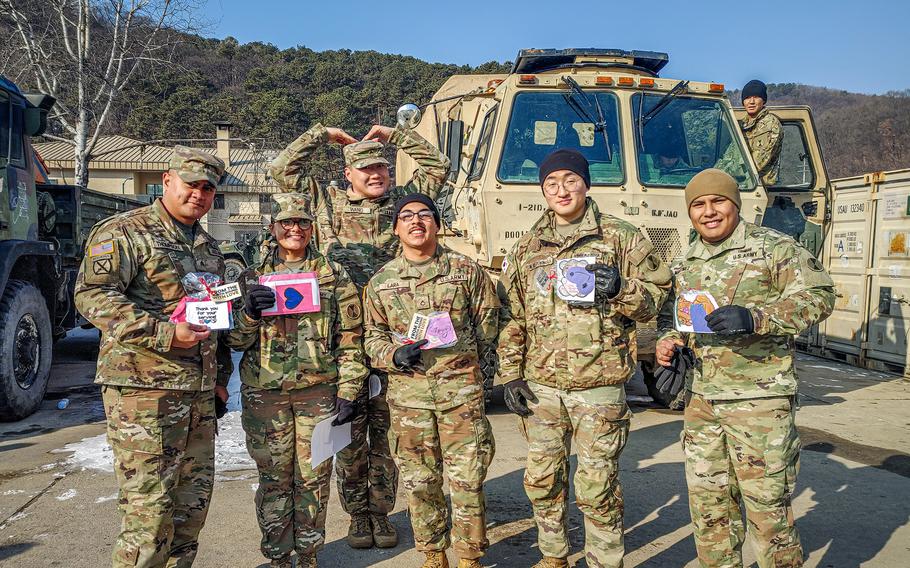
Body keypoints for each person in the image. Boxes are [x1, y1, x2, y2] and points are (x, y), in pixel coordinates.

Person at [269, 121, 450, 549]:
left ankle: (382, 513)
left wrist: (396, 134)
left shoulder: (404, 206)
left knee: (386, 435)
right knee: (346, 432)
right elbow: (281, 172)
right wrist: (319, 135)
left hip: (393, 335)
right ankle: (357, 516)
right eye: (365, 169)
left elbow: (438, 167)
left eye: (381, 168)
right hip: (341, 337)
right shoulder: (324, 202)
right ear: (347, 174)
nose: (375, 175)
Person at [498, 149, 673, 568]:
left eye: (570, 180)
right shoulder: (528, 246)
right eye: (552, 183)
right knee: (542, 481)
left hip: (599, 385)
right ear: (542, 190)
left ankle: (604, 561)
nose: (562, 190)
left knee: (597, 486)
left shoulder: (621, 237)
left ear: (586, 184)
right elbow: (512, 315)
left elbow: (658, 300)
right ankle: (553, 557)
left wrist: (621, 288)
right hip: (541, 386)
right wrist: (509, 374)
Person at [655, 168, 835, 568]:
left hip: (760, 399)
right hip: (702, 402)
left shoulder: (773, 248)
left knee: (767, 508)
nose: (709, 212)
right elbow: (681, 318)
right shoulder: (686, 259)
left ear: (735, 204)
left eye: (718, 201)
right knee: (710, 508)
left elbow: (821, 295)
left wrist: (757, 318)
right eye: (698, 205)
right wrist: (673, 342)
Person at [74, 146, 232, 568]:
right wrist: (165, 334)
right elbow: (91, 296)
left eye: (207, 188)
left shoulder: (208, 248)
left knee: (190, 510)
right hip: (144, 394)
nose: (198, 194)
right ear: (167, 181)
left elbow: (216, 318)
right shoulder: (125, 232)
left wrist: (219, 381)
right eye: (190, 184)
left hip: (197, 396)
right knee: (149, 515)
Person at [224, 193, 368, 568]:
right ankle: (277, 557)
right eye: (286, 222)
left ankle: (307, 555)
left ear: (312, 227)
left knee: (314, 480)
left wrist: (349, 390)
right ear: (273, 228)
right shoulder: (251, 277)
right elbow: (233, 341)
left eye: (302, 222)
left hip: (317, 393)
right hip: (265, 396)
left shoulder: (333, 276)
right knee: (273, 480)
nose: (294, 229)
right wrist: (249, 315)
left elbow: (351, 337)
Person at [361, 194, 498, 568]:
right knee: (421, 483)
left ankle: (470, 555)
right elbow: (370, 336)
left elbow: (489, 327)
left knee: (468, 481)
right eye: (407, 216)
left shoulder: (466, 271)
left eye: (425, 215)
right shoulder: (381, 282)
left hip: (460, 397)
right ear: (396, 229)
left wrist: (475, 373)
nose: (416, 221)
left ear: (437, 224)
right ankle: (433, 553)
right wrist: (392, 355)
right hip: (410, 400)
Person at [740, 79, 783, 186]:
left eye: (756, 97)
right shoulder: (742, 125)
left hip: (762, 187)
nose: (751, 101)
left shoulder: (771, 124)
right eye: (747, 98)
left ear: (763, 100)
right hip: (743, 184)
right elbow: (731, 155)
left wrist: (729, 174)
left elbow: (758, 162)